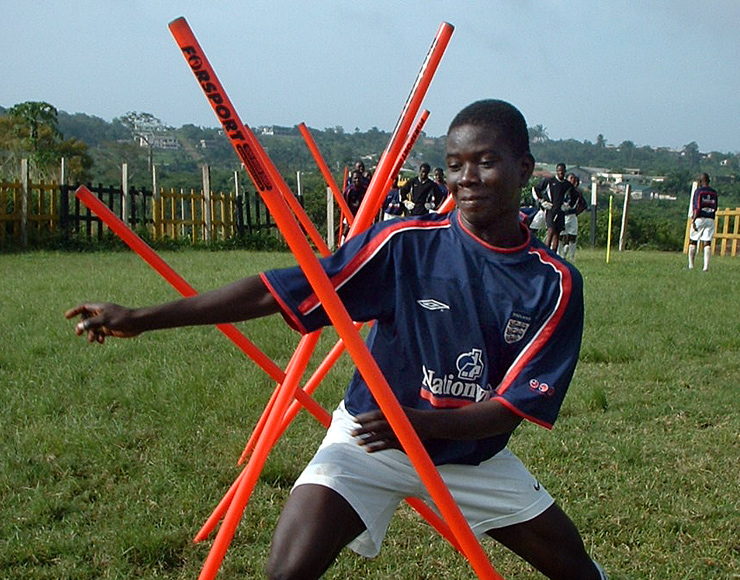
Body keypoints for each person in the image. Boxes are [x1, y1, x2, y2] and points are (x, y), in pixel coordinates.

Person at [66, 99, 606, 580]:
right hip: (367, 441)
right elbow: (272, 292)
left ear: (525, 169)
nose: (466, 178)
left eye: (486, 162)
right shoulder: (402, 246)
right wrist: (140, 317)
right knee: (287, 571)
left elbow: (509, 409)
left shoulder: (552, 282)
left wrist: (416, 426)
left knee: (576, 569)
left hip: (470, 456)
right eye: (455, 165)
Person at [533, 162, 576, 251]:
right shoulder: (549, 181)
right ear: (556, 171)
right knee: (550, 231)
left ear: (565, 171)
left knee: (557, 233)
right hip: (550, 210)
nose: (561, 172)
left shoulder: (567, 185)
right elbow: (536, 189)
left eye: (562, 171)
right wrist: (542, 201)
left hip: (560, 211)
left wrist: (568, 206)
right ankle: (546, 252)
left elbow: (575, 197)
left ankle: (553, 254)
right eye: (559, 171)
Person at [688, 172, 719, 271]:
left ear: (700, 182)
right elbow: (715, 206)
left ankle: (691, 265)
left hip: (700, 218)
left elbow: (697, 206)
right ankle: (706, 267)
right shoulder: (714, 193)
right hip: (710, 218)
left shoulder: (699, 192)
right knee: (707, 241)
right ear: (709, 181)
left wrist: (693, 220)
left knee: (693, 240)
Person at [559, 173, 587, 261]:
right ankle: (559, 255)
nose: (573, 181)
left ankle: (572, 257)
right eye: (571, 178)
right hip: (563, 215)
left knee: (572, 237)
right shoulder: (561, 190)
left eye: (574, 179)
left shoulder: (577, 192)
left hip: (572, 216)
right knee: (560, 236)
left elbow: (584, 205)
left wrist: (576, 212)